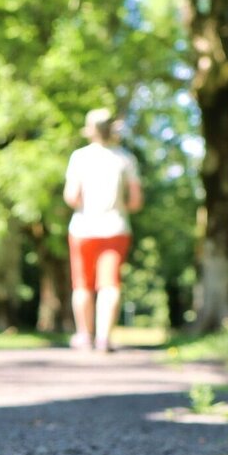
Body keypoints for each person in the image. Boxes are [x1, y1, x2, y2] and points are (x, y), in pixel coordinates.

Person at [63, 108, 143, 352]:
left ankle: (84, 336)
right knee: (109, 285)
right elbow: (136, 201)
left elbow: (71, 196)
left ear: (90, 130)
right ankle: (103, 338)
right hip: (115, 227)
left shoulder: (79, 157)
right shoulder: (125, 159)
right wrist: (121, 206)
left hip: (83, 228)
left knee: (82, 285)